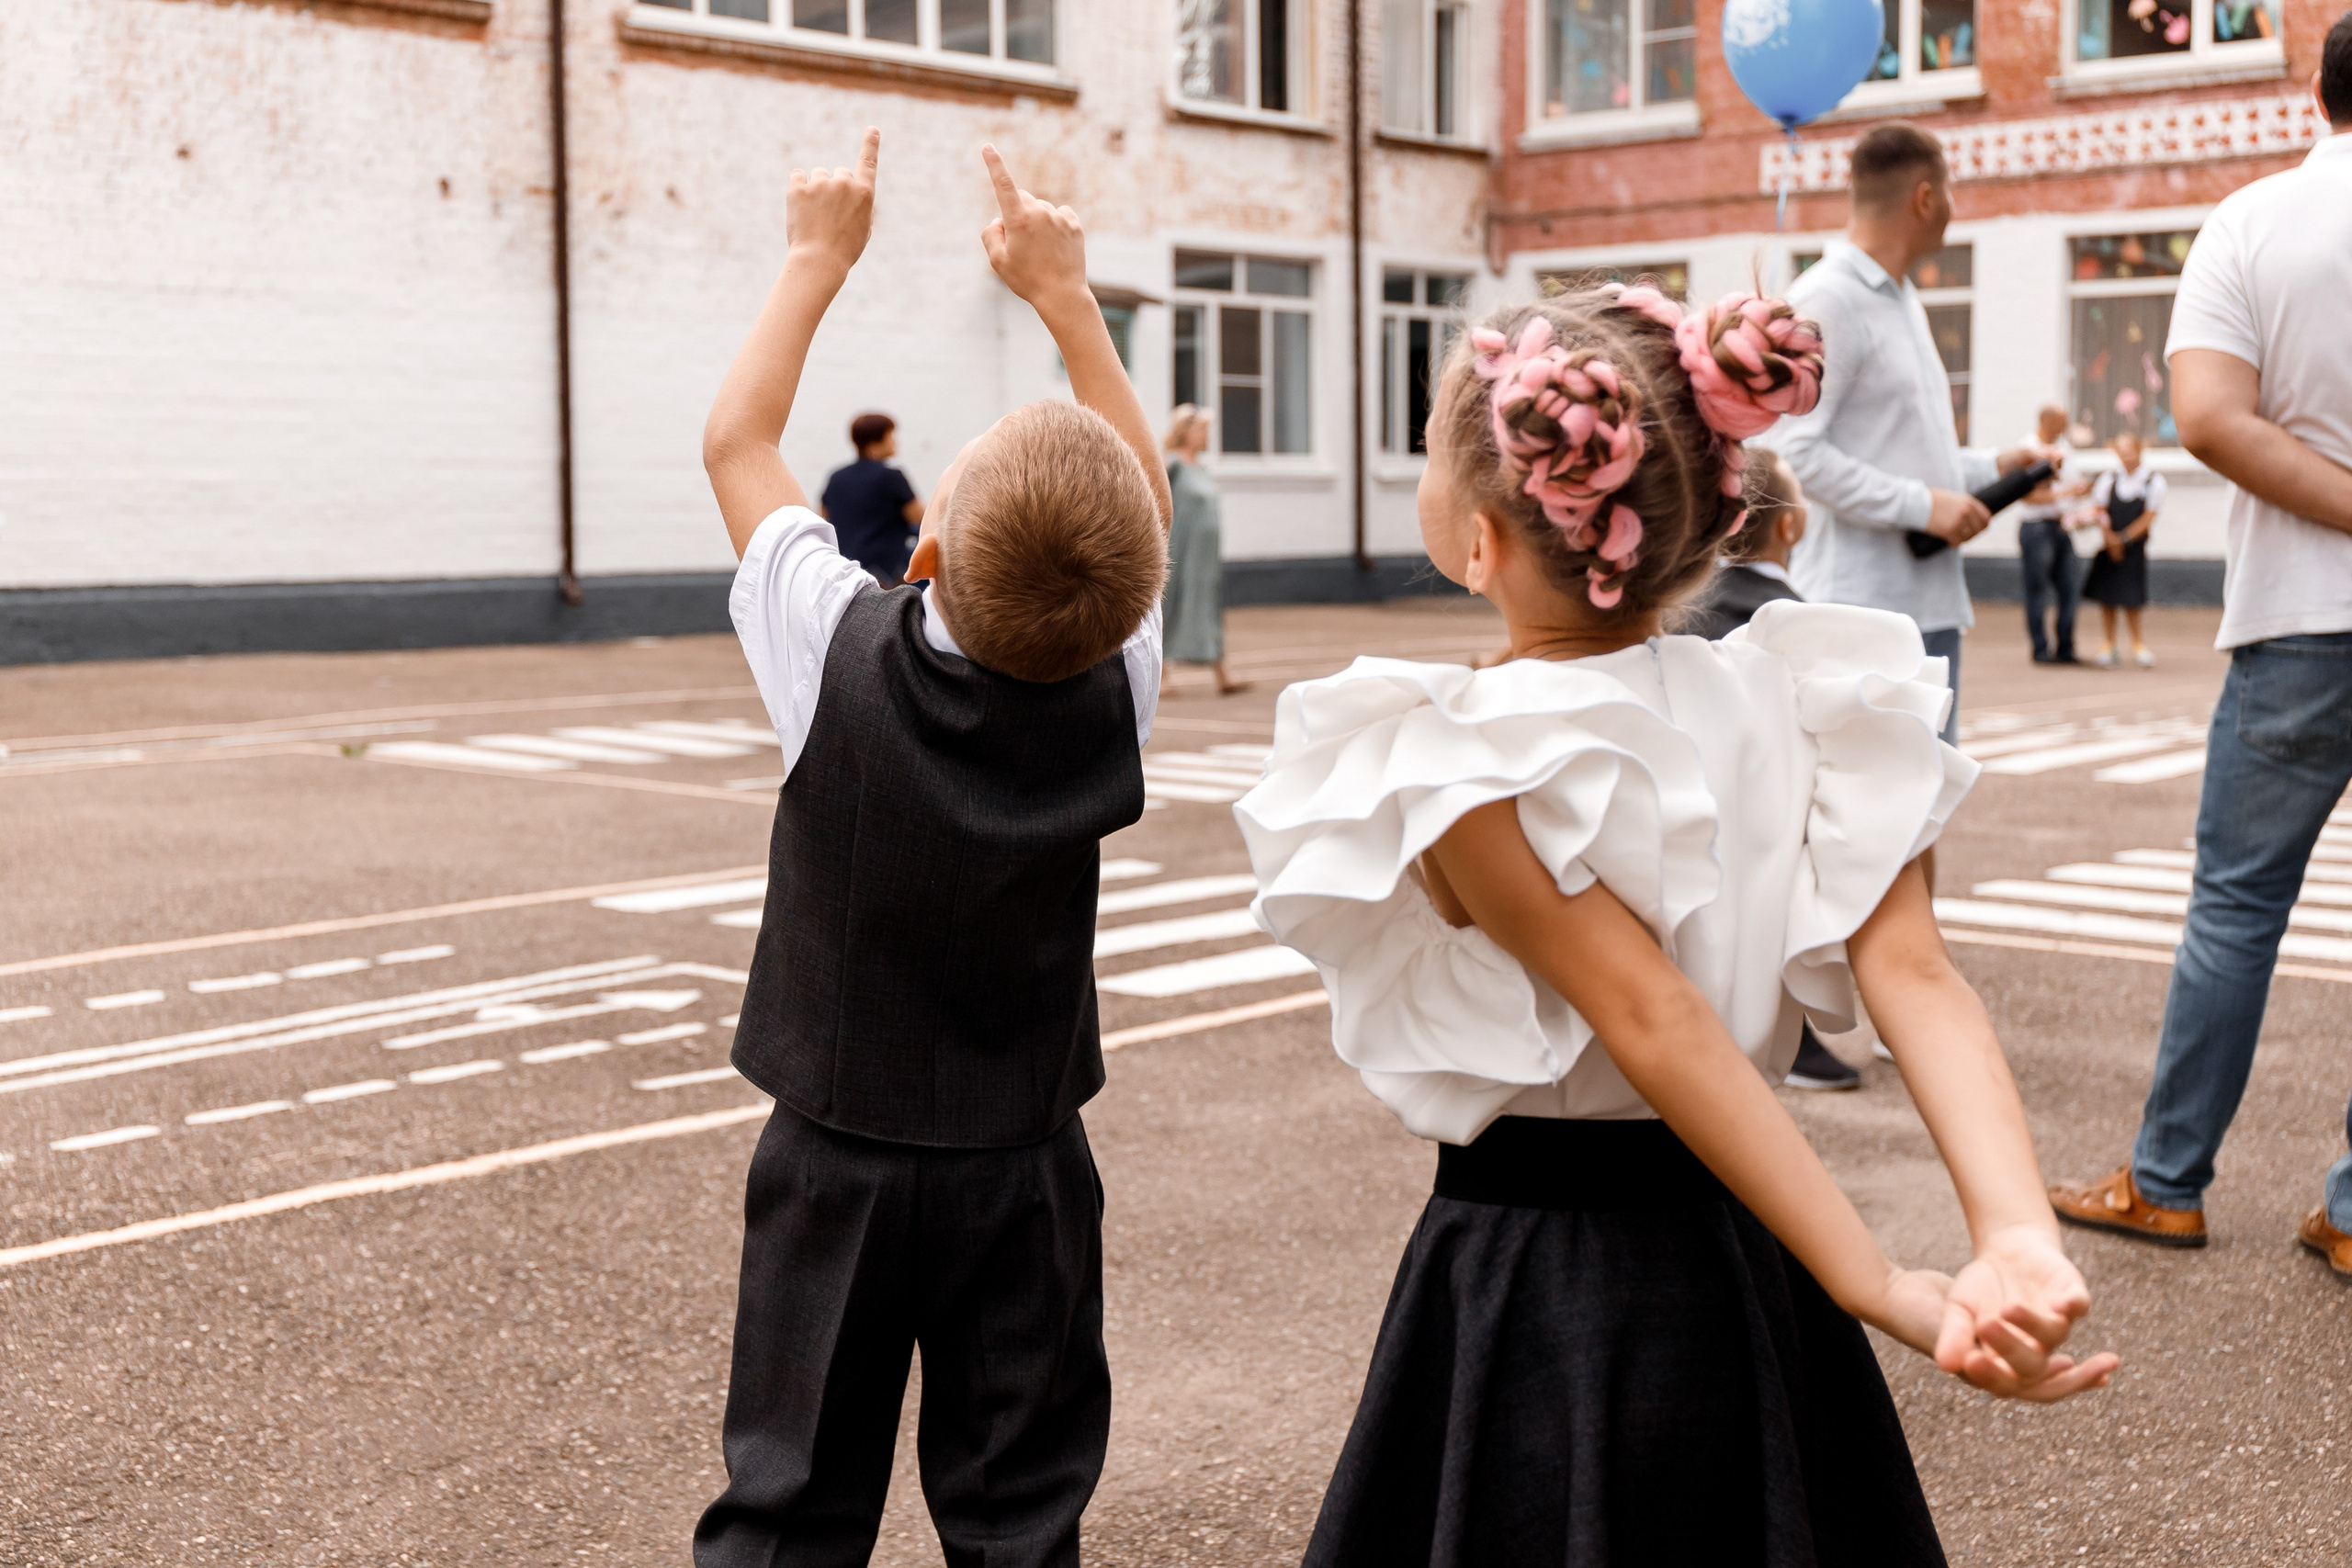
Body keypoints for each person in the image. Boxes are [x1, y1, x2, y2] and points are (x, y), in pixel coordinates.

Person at [1238, 284, 2115, 1567]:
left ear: (1482, 542)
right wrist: (2012, 1229)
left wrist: (1882, 1278)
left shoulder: (1459, 760)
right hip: (1754, 1247)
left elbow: (1652, 1017)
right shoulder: (1810, 695)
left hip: (1542, 1280)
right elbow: (1916, 971)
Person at [692, 130, 1171, 1566]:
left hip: (835, 1149)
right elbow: (1132, 500)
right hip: (1026, 1157)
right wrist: (1069, 299)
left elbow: (737, 442)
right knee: (1022, 1509)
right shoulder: (1122, 677)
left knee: (788, 1503)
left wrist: (812, 257)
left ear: (924, 553)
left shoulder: (835, 651)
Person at [2050, 15, 2352, 1275]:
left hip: (2297, 620)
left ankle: (2167, 1181)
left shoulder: (2255, 222)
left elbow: (2211, 419)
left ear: (2320, 91)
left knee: (2235, 910)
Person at [1760, 121, 2041, 746]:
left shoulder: (1899, 300)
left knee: (1922, 811)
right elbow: (1792, 454)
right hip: (1862, 614)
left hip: (1922, 605)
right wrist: (1923, 507)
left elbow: (1904, 450)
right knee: (1879, 825)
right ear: (1924, 198)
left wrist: (1999, 466)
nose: (1952, 208)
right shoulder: (1828, 301)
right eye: (1949, 192)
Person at [1690, 452, 1865, 1094]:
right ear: (1790, 528)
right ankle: (1795, 1031)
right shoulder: (1805, 627)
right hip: (1771, 825)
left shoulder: (1679, 616)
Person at [1160, 404, 1249, 696]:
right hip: (1180, 554)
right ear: (1185, 432)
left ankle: (1222, 673)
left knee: (1208, 605)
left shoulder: (1203, 469)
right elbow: (1157, 501)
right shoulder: (1172, 466)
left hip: (1205, 558)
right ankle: (1161, 677)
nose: (1207, 435)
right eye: (1202, 429)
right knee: (1171, 604)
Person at [2079, 430, 2165, 668]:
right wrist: (2109, 540)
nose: (2126, 456)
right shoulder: (2109, 480)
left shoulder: (2152, 481)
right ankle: (2108, 644)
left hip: (2133, 549)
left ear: (2139, 450)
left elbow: (2148, 517)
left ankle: (2138, 645)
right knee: (2108, 597)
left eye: (2130, 451)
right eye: (2121, 451)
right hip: (2110, 547)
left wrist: (2123, 540)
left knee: (2132, 598)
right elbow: (2101, 512)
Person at [819, 412, 924, 586]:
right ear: (874, 443)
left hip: (844, 569)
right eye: (890, 436)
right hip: (885, 573)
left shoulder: (836, 477)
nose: (895, 441)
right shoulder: (891, 477)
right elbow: (920, 518)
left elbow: (823, 518)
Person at [2015, 404, 2086, 664]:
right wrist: (2066, 493)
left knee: (2070, 588)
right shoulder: (2027, 450)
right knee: (2037, 591)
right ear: (2047, 421)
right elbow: (2026, 495)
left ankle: (2066, 649)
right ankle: (2040, 650)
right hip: (2036, 528)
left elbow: (2069, 485)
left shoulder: (2065, 449)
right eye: (2062, 422)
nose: (2065, 427)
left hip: (2060, 526)